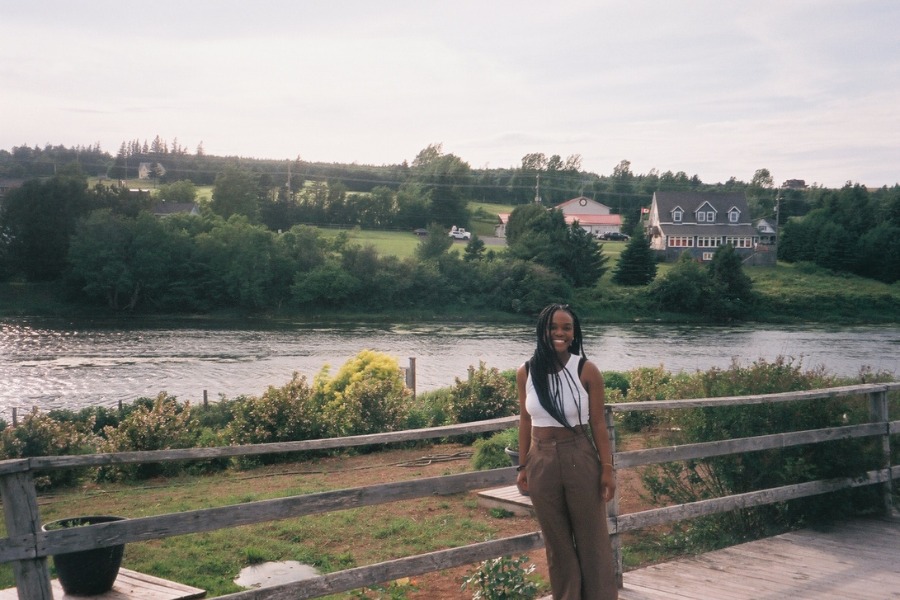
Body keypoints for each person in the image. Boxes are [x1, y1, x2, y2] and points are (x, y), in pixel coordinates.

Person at [515, 303, 618, 600]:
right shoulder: (526, 372)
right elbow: (524, 420)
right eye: (553, 327)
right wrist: (522, 467)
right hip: (541, 460)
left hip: (579, 456)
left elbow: (598, 422)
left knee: (592, 540)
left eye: (566, 328)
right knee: (557, 545)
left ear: (575, 333)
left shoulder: (586, 370)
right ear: (542, 330)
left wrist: (607, 469)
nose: (560, 333)